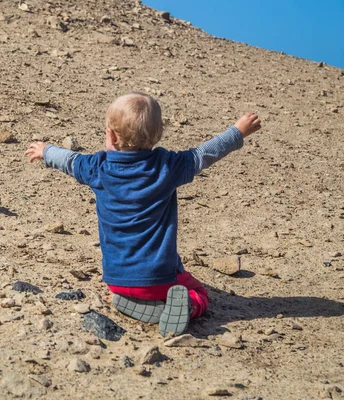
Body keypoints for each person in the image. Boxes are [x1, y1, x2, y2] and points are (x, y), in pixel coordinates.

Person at [25, 92, 261, 336]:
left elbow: (70, 160)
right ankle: (188, 308)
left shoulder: (98, 167)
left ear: (112, 136)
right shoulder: (167, 166)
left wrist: (46, 150)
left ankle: (138, 304)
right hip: (160, 277)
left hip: (116, 280)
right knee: (199, 292)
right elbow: (204, 154)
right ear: (157, 136)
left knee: (141, 287)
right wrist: (238, 131)